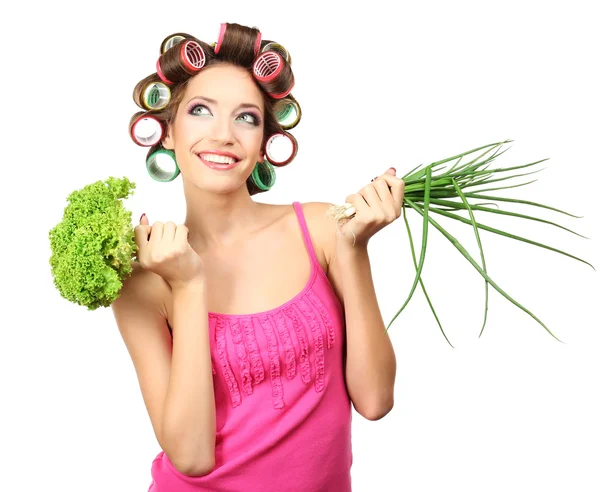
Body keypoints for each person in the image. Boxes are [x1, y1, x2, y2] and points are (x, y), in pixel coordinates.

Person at [111, 22, 405, 492]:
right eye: (201, 111)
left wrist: (355, 246)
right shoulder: (144, 279)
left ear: (265, 138)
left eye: (246, 117)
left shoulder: (323, 230)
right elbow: (190, 456)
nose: (223, 135)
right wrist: (188, 285)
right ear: (167, 131)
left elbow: (374, 400)